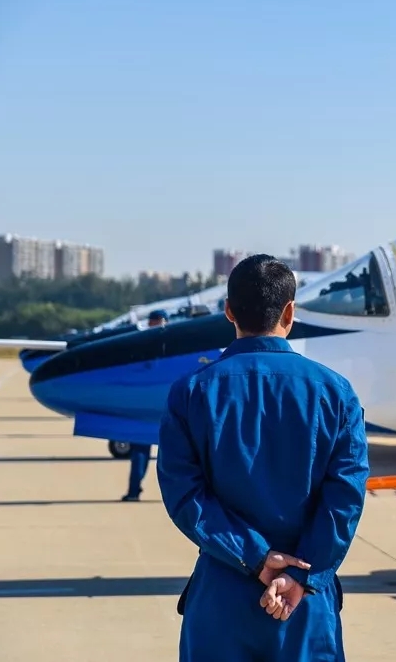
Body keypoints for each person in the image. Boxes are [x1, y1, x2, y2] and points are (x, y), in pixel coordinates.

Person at [156, 254, 369, 661]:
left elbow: (185, 496)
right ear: (290, 312)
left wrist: (256, 557)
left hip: (222, 597)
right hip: (305, 602)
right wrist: (301, 576)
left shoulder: (192, 392)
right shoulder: (336, 392)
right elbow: (345, 498)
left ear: (229, 311)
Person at [121, 310, 169, 502]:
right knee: (139, 450)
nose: (155, 324)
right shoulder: (146, 343)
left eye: (158, 321)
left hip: (162, 405)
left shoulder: (169, 343)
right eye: (153, 321)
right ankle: (134, 490)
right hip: (147, 406)